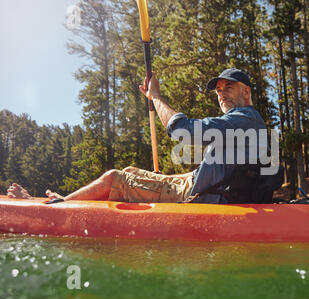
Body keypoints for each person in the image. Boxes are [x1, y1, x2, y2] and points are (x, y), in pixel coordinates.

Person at [7, 68, 281, 204]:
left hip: (201, 194)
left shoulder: (243, 119)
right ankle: (63, 199)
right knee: (129, 170)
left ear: (246, 91)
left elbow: (182, 131)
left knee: (114, 178)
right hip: (201, 182)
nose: (221, 94)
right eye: (218, 90)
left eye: (228, 88)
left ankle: (57, 205)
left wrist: (156, 97)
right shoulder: (249, 123)